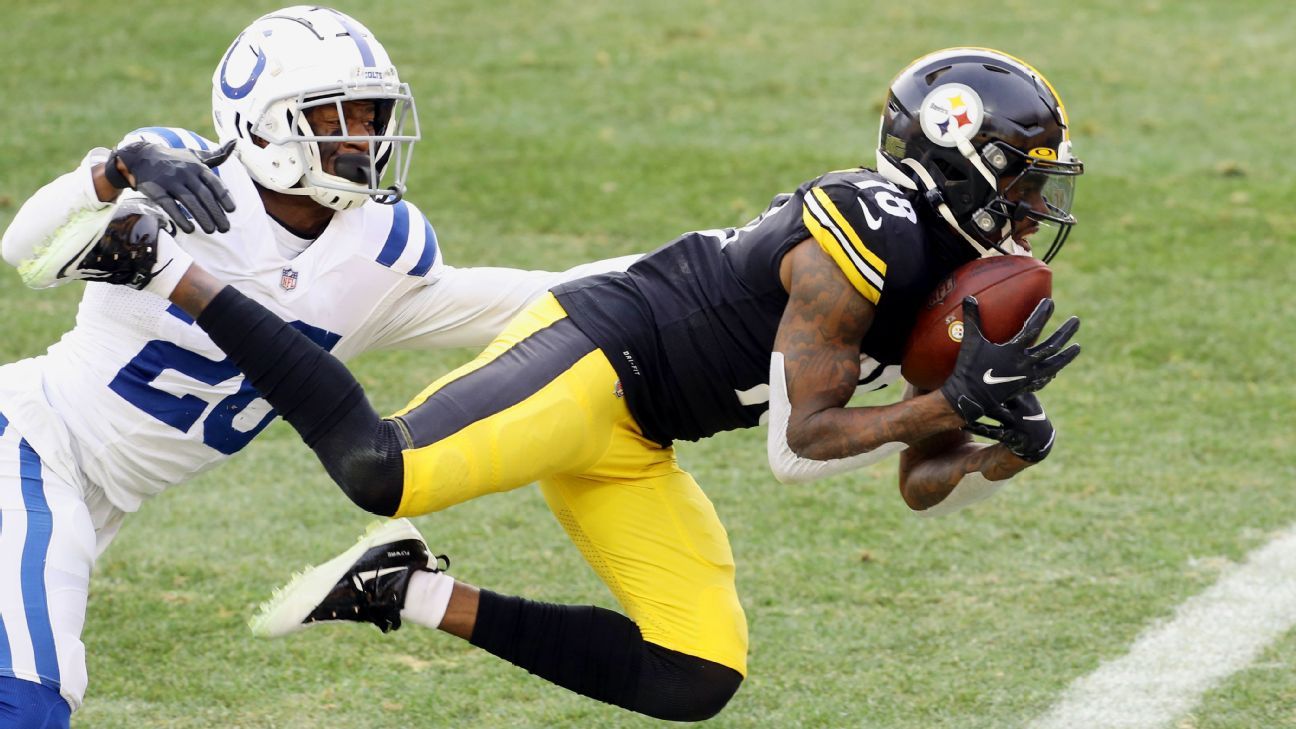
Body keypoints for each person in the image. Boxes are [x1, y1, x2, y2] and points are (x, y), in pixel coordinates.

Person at [16, 48, 1084, 721]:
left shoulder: (946, 282)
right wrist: (120, 188)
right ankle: (178, 280)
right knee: (384, 470)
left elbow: (919, 482)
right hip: (600, 356)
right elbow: (799, 445)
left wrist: (1001, 438)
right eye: (1027, 168)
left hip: (640, 432)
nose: (1038, 197)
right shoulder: (871, 223)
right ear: (963, 155)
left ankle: (405, 591)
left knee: (693, 674)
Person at [0, 6, 636, 726]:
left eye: (371, 114)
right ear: (264, 124)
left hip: (104, 495)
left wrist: (731, 256)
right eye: (335, 116)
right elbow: (22, 246)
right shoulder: (178, 175)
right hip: (32, 444)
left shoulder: (378, 251)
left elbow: (540, 297)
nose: (362, 136)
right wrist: (112, 173)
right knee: (30, 691)